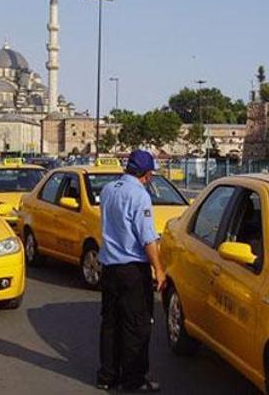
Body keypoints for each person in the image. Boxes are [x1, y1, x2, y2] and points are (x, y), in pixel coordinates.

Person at [96, 150, 165, 393]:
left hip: (109, 267)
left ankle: (107, 376)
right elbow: (147, 238)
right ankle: (133, 380)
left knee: (111, 323)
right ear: (146, 174)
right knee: (137, 326)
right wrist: (158, 269)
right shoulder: (140, 196)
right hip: (133, 269)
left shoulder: (108, 190)